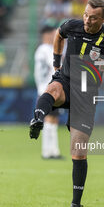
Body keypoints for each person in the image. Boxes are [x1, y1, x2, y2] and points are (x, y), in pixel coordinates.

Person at [29, 0, 104, 207]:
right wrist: (56, 61)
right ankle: (38, 118)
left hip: (86, 94)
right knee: (52, 89)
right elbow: (58, 36)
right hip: (67, 80)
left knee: (78, 151)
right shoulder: (72, 25)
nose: (87, 20)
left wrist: (102, 64)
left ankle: (75, 206)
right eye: (86, 15)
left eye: (93, 18)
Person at [34, 25, 62, 159]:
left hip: (45, 88)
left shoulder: (40, 50)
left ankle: (53, 151)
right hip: (49, 89)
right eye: (52, 34)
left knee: (53, 119)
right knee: (50, 119)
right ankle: (48, 151)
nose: (54, 37)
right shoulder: (47, 50)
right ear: (46, 35)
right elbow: (55, 68)